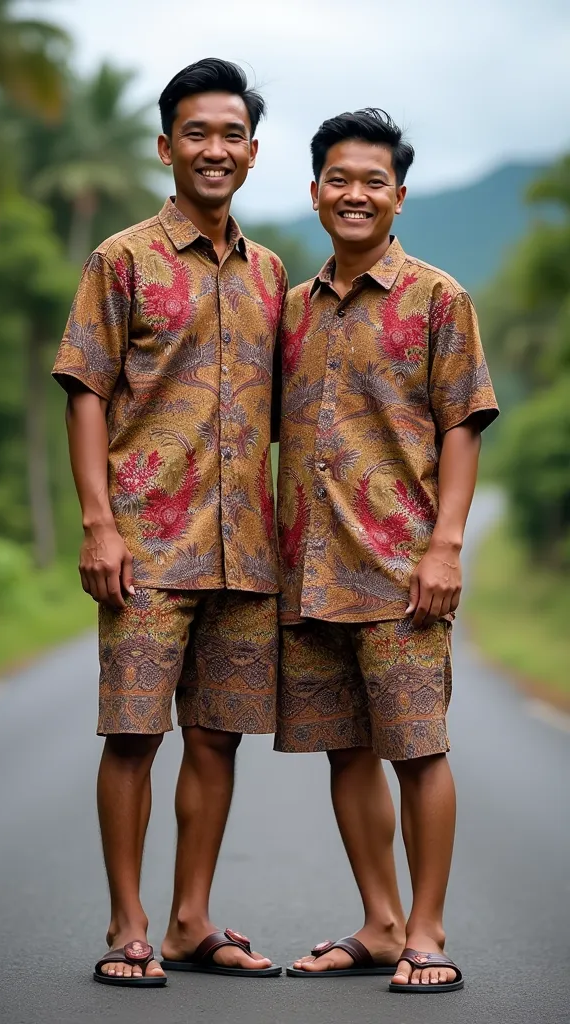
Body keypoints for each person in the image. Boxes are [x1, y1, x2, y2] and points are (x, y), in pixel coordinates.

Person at [52, 58, 286, 986]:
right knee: (134, 733)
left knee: (218, 736)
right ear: (165, 146)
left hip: (245, 550)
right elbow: (85, 392)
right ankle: (130, 924)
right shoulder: (121, 259)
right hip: (146, 543)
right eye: (197, 133)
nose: (214, 150)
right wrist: (98, 524)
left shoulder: (273, 276)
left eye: (231, 135)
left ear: (254, 153)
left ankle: (192, 919)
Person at [275, 108, 498, 992]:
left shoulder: (439, 299)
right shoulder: (287, 308)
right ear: (316, 190)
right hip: (311, 569)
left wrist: (446, 546)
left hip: (404, 567)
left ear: (398, 197)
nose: (354, 194)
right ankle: (379, 921)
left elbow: (462, 427)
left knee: (417, 747)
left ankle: (428, 932)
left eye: (372, 182)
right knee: (345, 749)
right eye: (339, 178)